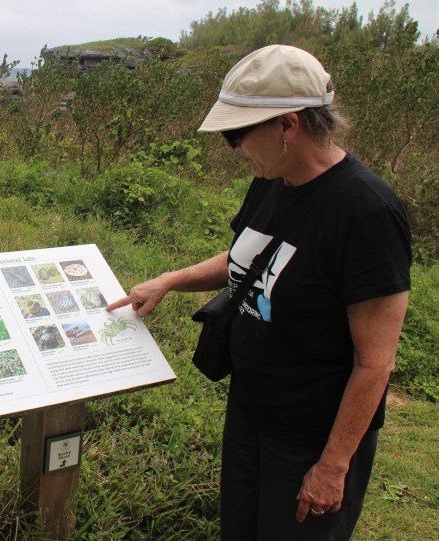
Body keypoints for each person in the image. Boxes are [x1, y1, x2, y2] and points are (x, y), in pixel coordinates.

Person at [106, 44, 411, 541]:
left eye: (236, 134)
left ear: (288, 126)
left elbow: (375, 362)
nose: (232, 148)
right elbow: (249, 257)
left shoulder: (366, 213)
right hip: (251, 409)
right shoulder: (273, 179)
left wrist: (333, 466)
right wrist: (171, 280)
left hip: (311, 432)